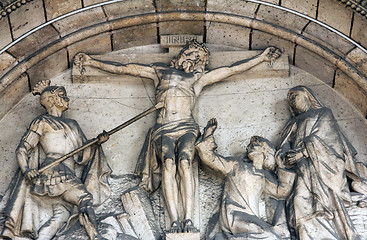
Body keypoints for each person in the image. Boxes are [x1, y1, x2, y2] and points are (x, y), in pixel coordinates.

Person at [74, 40, 281, 232]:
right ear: (182, 54)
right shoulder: (159, 71)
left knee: (184, 162)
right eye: (191, 53)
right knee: (168, 164)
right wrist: (92, 62)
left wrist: (261, 58)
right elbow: (124, 69)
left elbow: (230, 70)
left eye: (199, 58)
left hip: (186, 126)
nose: (195, 59)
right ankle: (174, 220)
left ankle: (188, 219)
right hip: (163, 128)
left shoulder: (197, 79)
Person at [1, 80, 111, 240]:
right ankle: (95, 236)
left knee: (61, 217)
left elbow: (81, 152)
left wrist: (97, 143)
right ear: (52, 100)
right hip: (54, 171)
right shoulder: (42, 122)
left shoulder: (73, 124)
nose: (67, 99)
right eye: (62, 95)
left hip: (69, 173)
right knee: (84, 198)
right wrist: (26, 170)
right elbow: (22, 149)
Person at [278, 85, 365, 240]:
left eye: (295, 95)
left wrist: (303, 152)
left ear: (306, 96)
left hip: (321, 167)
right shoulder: (293, 122)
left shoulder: (322, 113)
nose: (291, 100)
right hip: (301, 169)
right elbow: (284, 143)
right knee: (298, 202)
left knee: (327, 203)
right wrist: (287, 155)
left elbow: (329, 140)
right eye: (289, 98)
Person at [195, 118, 295, 239]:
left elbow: (282, 192)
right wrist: (208, 133)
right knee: (268, 235)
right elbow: (210, 158)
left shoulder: (264, 175)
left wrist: (282, 166)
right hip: (234, 215)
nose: (250, 147)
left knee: (274, 234)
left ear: (266, 151)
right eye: (250, 145)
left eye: (256, 145)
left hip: (252, 219)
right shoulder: (236, 165)